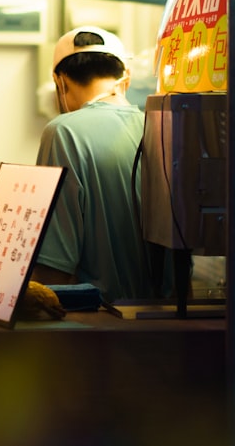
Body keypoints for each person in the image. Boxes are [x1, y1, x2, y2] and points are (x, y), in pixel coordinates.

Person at [31, 25, 152, 303]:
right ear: (127, 78)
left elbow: (53, 271)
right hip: (165, 321)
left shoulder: (62, 132)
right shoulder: (157, 126)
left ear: (59, 82)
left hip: (99, 323)